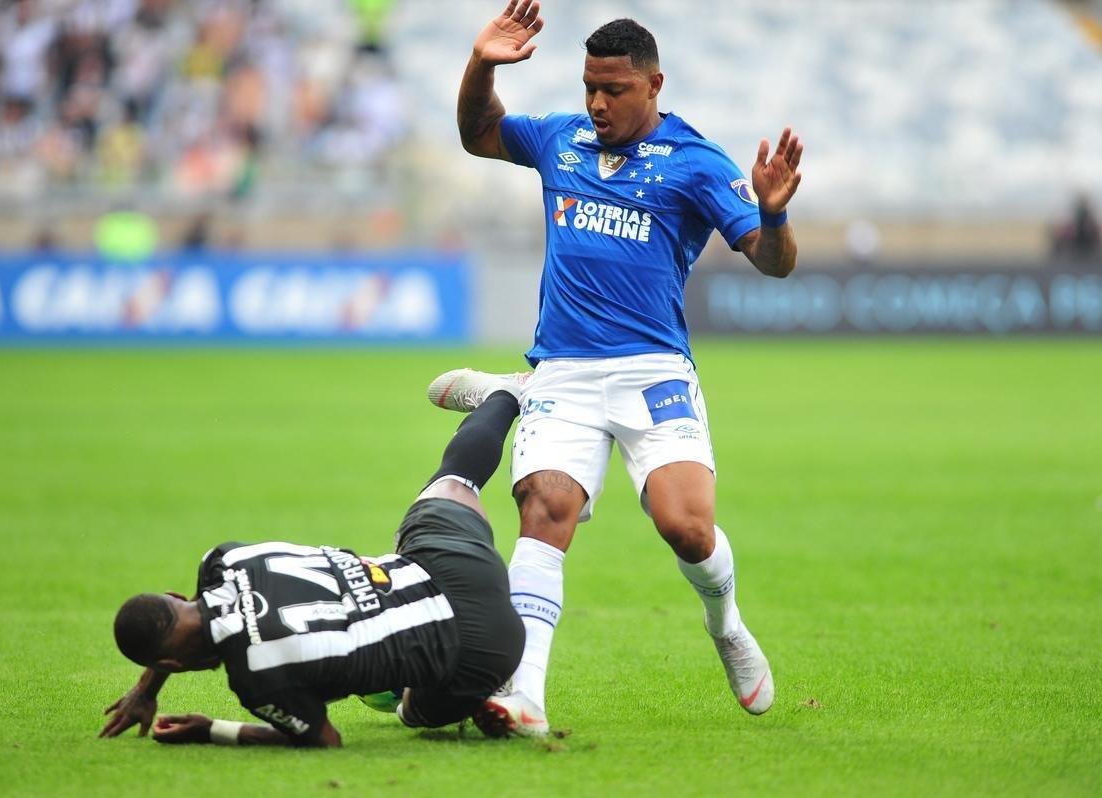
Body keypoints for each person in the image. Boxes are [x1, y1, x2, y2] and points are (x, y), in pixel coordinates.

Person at [447, 1, 804, 736]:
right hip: (566, 371)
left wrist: (771, 216)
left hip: (653, 370)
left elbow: (773, 265)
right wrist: (482, 63)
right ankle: (526, 695)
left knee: (686, 528)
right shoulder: (561, 139)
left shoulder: (697, 163)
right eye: (589, 88)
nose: (597, 104)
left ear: (654, 85)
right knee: (545, 513)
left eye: (613, 90)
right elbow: (478, 133)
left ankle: (727, 623)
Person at [99, 375, 527, 748]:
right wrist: (146, 687)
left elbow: (324, 739)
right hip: (452, 567)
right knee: (453, 482)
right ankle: (506, 395)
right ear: (176, 595)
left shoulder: (257, 679)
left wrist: (213, 729)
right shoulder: (225, 560)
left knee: (415, 713)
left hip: (486, 646)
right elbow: (187, 612)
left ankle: (483, 691)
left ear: (170, 664)